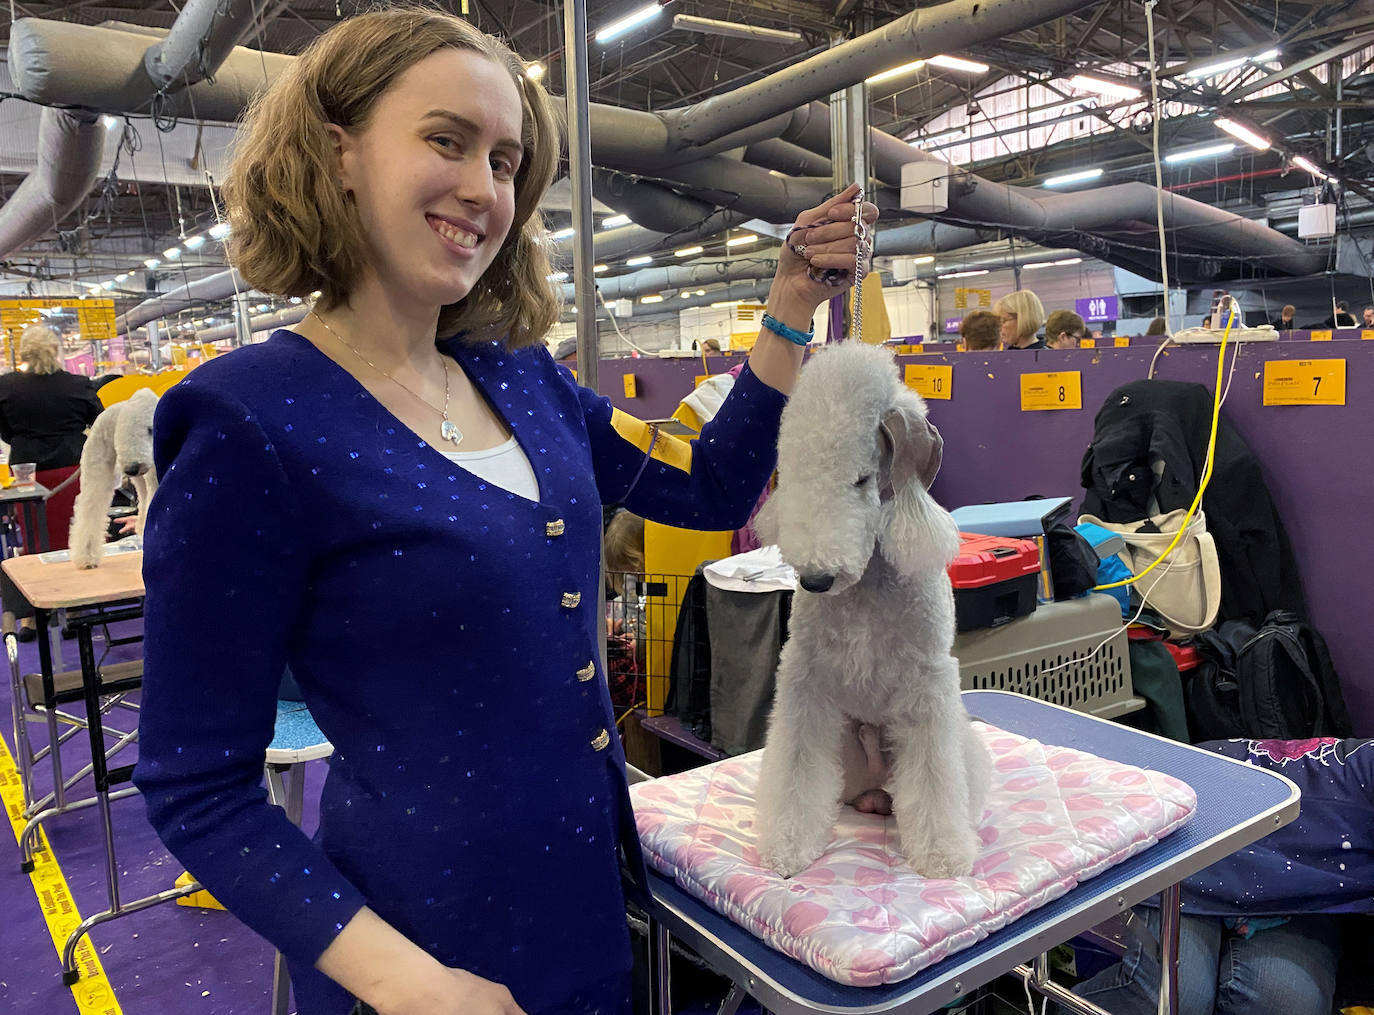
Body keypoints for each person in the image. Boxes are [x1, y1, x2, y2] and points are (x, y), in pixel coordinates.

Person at [130, 10, 877, 1015]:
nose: (484, 187)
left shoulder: (527, 383)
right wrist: (412, 985)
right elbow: (198, 785)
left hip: (589, 901)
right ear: (338, 151)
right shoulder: (247, 422)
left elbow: (707, 488)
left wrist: (790, 303)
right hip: (421, 944)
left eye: (506, 159)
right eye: (445, 140)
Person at [0, 324, 104, 638]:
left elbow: (4, 430)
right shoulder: (78, 384)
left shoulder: (5, 387)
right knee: (73, 535)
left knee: (31, 542)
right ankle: (73, 610)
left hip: (26, 473)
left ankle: (31, 618)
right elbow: (99, 422)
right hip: (71, 469)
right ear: (56, 350)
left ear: (25, 352)